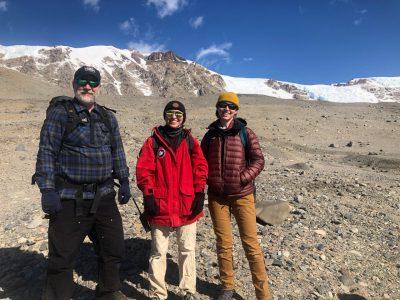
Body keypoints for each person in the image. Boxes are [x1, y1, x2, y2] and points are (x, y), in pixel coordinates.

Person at [34, 66, 131, 300]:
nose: (87, 86)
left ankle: (109, 292)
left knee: (113, 248)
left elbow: (117, 150)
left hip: (104, 196)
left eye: (92, 82)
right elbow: (46, 151)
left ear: (98, 87)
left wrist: (125, 179)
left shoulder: (107, 117)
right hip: (70, 198)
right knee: (62, 256)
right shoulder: (60, 114)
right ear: (74, 83)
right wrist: (47, 189)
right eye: (82, 81)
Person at [201, 92, 270, 300]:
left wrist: (242, 178)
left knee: (251, 244)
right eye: (223, 105)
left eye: (231, 106)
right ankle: (227, 287)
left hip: (242, 196)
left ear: (236, 110)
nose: (227, 109)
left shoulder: (245, 133)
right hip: (217, 197)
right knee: (223, 243)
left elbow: (258, 160)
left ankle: (263, 294)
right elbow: (201, 163)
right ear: (217, 108)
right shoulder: (210, 135)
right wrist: (208, 180)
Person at [136, 101, 208, 300]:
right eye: (170, 113)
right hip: (160, 205)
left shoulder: (190, 141)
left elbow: (200, 167)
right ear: (164, 115)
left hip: (187, 204)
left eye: (178, 113)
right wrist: (148, 194)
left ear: (183, 117)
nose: (174, 117)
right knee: (159, 251)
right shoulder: (153, 142)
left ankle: (188, 291)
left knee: (187, 250)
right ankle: (158, 293)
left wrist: (200, 192)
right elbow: (144, 170)